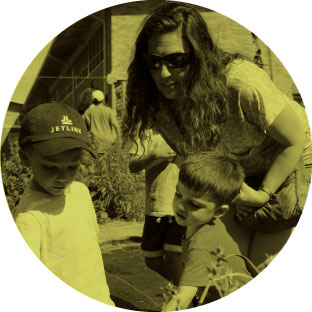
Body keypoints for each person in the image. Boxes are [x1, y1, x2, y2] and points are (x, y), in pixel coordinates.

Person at [123, 2, 312, 266]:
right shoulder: (161, 106)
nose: (163, 74)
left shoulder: (240, 84)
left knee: (260, 263)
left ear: (200, 55)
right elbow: (202, 163)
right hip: (238, 177)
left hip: (290, 160)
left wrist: (263, 195)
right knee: (218, 263)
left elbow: (294, 139)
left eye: (175, 61)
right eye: (153, 61)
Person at [14, 102, 115, 306]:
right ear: (25, 158)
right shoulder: (29, 218)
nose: (63, 177)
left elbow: (91, 245)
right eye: (50, 167)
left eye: (72, 166)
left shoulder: (80, 192)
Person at [162, 151, 251, 311]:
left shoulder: (202, 244)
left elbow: (180, 301)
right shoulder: (200, 226)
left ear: (219, 212)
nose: (180, 206)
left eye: (195, 205)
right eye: (178, 194)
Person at [129, 128, 185, 286]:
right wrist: (154, 155)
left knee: (174, 258)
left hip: (181, 204)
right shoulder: (146, 132)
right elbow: (132, 166)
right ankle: (191, 290)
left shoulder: (186, 127)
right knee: (151, 260)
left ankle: (187, 297)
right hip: (156, 204)